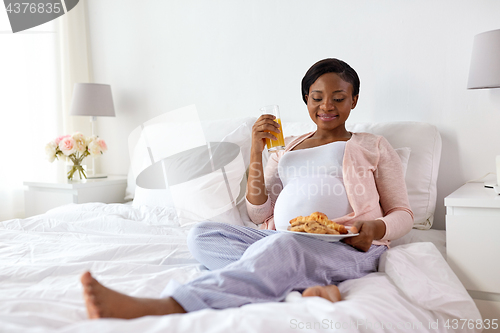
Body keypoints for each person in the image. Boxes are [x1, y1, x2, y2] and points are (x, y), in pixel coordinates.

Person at [80, 58, 414, 319]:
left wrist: (376, 227)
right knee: (203, 236)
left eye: (338, 97)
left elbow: (403, 212)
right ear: (306, 100)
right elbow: (258, 212)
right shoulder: (284, 149)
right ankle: (308, 284)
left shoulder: (373, 145)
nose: (327, 106)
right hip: (279, 238)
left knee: (283, 249)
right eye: (317, 97)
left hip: (347, 245)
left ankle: (169, 304)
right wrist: (257, 149)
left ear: (353, 100)